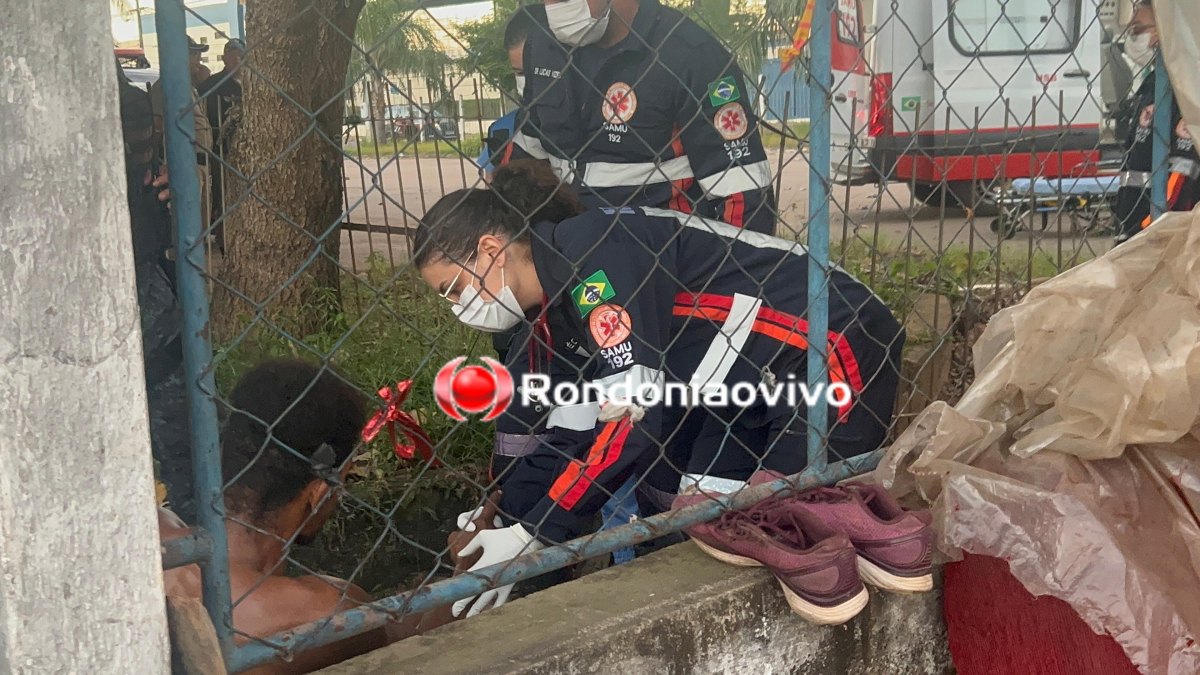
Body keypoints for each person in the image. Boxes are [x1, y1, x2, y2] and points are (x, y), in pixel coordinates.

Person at [416, 161, 904, 616]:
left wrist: (536, 535)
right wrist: (508, 522)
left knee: (792, 518)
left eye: (453, 289)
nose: (457, 306)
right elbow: (569, 433)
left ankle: (902, 552)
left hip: (833, 342)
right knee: (710, 518)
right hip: (745, 389)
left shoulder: (594, 261)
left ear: (489, 251)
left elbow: (633, 420)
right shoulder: (550, 317)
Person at [160, 359, 454, 673]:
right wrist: (464, 579)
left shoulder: (155, 535)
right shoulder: (325, 610)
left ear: (220, 453)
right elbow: (407, 647)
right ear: (319, 493)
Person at [481, 5, 642, 567]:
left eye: (538, 69)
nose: (534, 83)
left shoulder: (620, 103)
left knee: (619, 418)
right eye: (522, 73)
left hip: (611, 297)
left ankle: (600, 540)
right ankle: (554, 527)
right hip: (545, 304)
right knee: (556, 415)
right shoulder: (514, 134)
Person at [509, 0, 776, 233]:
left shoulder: (691, 56)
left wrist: (729, 281)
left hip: (665, 258)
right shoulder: (543, 45)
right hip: (567, 251)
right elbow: (522, 163)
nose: (552, 6)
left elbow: (743, 195)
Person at [118, 58, 196, 520]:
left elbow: (146, 175)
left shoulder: (122, 92)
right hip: (130, 276)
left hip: (143, 270)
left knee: (176, 416)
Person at [1113, 0, 1200, 244]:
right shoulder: (1151, 89)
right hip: (1136, 231)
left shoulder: (1183, 95)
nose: (1133, 41)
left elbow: (1182, 178)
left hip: (1161, 236)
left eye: (1138, 31)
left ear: (1164, 33)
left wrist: (1149, 231)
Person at [150, 37, 215, 233]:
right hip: (184, 163)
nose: (199, 59)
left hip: (200, 163)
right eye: (194, 54)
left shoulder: (190, 86)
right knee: (188, 227)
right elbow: (158, 125)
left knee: (201, 227)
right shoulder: (166, 87)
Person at [475, 7, 546, 182]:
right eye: (519, 73)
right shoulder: (502, 133)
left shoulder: (593, 125)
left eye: (533, 72)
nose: (527, 84)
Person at [200, 37, 246, 251]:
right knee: (220, 191)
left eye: (240, 54)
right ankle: (223, 234)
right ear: (225, 57)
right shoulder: (212, 84)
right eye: (231, 54)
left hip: (245, 147)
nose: (236, 59)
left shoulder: (251, 83)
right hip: (220, 147)